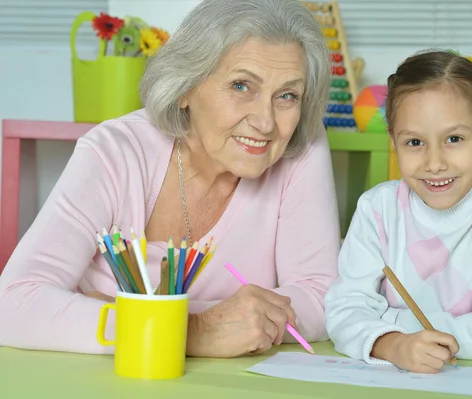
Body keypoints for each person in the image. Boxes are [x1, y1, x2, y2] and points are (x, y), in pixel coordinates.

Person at [0, 0, 340, 358]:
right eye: (242, 86)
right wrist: (195, 331)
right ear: (185, 88)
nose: (266, 122)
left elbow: (321, 297)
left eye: (287, 95)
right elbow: (12, 303)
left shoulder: (299, 145)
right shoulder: (115, 151)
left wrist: (119, 313)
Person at [325, 50, 472, 373]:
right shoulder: (377, 209)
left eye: (454, 138)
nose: (435, 163)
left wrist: (389, 322)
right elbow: (343, 312)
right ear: (393, 141)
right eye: (414, 142)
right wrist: (395, 346)